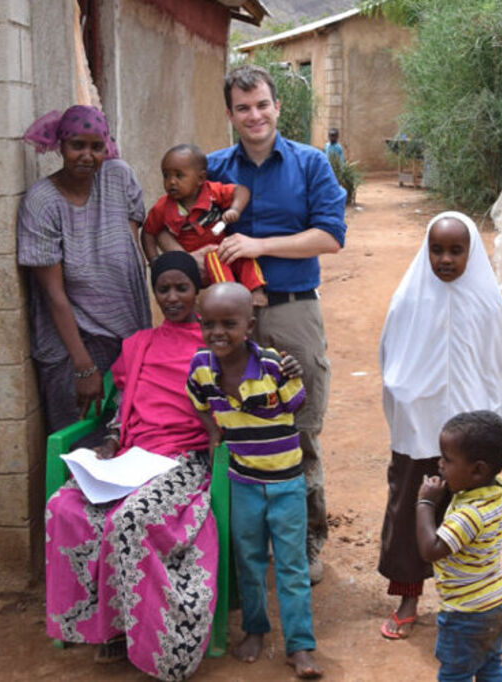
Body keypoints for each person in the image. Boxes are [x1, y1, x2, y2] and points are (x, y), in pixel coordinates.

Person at [205, 64, 348, 584]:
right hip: (228, 322)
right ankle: (233, 546)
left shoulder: (310, 164)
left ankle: (306, 539)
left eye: (262, 104)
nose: (254, 115)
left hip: (291, 309)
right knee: (228, 424)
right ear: (230, 114)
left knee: (299, 425)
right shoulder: (214, 168)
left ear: (277, 107)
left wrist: (260, 245)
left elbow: (332, 236)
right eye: (243, 108)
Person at [44, 253, 215, 681]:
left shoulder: (212, 344)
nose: (173, 297)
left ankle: (160, 644)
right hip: (132, 457)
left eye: (182, 288)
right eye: (163, 289)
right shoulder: (139, 344)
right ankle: (108, 627)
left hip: (183, 459)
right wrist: (111, 439)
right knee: (63, 507)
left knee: (130, 521)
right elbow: (124, 403)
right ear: (153, 293)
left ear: (197, 291)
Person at [377, 212, 502, 640]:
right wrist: (410, 396)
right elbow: (390, 359)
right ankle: (409, 597)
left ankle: (476, 602)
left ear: (472, 252)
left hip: (468, 439)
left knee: (470, 518)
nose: (446, 259)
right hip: (419, 432)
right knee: (410, 511)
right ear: (426, 251)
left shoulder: (486, 302)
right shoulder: (410, 299)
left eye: (456, 250)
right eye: (437, 250)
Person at [186, 283, 323, 679]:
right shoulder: (201, 367)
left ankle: (300, 645)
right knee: (249, 560)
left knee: (292, 565)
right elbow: (196, 401)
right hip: (242, 483)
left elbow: (298, 405)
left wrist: (292, 370)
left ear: (249, 324)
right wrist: (214, 432)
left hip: (286, 485)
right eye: (209, 323)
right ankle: (255, 629)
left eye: (229, 323)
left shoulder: (274, 366)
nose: (218, 332)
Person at [18, 105, 150, 433]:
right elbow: (53, 293)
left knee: (125, 434)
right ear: (60, 145)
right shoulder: (42, 202)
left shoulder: (118, 177)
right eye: (77, 145)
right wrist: (82, 366)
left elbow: (131, 250)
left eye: (96, 147)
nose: (87, 155)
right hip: (74, 343)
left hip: (127, 335)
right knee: (78, 439)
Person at [416, 410, 502, 682]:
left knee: (454, 675)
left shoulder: (469, 515)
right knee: (490, 665)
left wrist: (425, 503)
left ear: (478, 470)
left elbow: (431, 550)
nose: (440, 464)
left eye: (448, 460)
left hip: (466, 613)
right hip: (495, 605)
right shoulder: (496, 495)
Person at [141, 144, 268, 306]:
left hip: (222, 248)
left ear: (200, 178)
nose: (171, 182)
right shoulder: (163, 207)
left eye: (179, 176)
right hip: (200, 262)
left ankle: (256, 290)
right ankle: (230, 298)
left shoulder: (212, 192)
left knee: (242, 253)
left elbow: (241, 191)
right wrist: (155, 261)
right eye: (166, 176)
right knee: (215, 260)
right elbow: (148, 232)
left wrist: (235, 209)